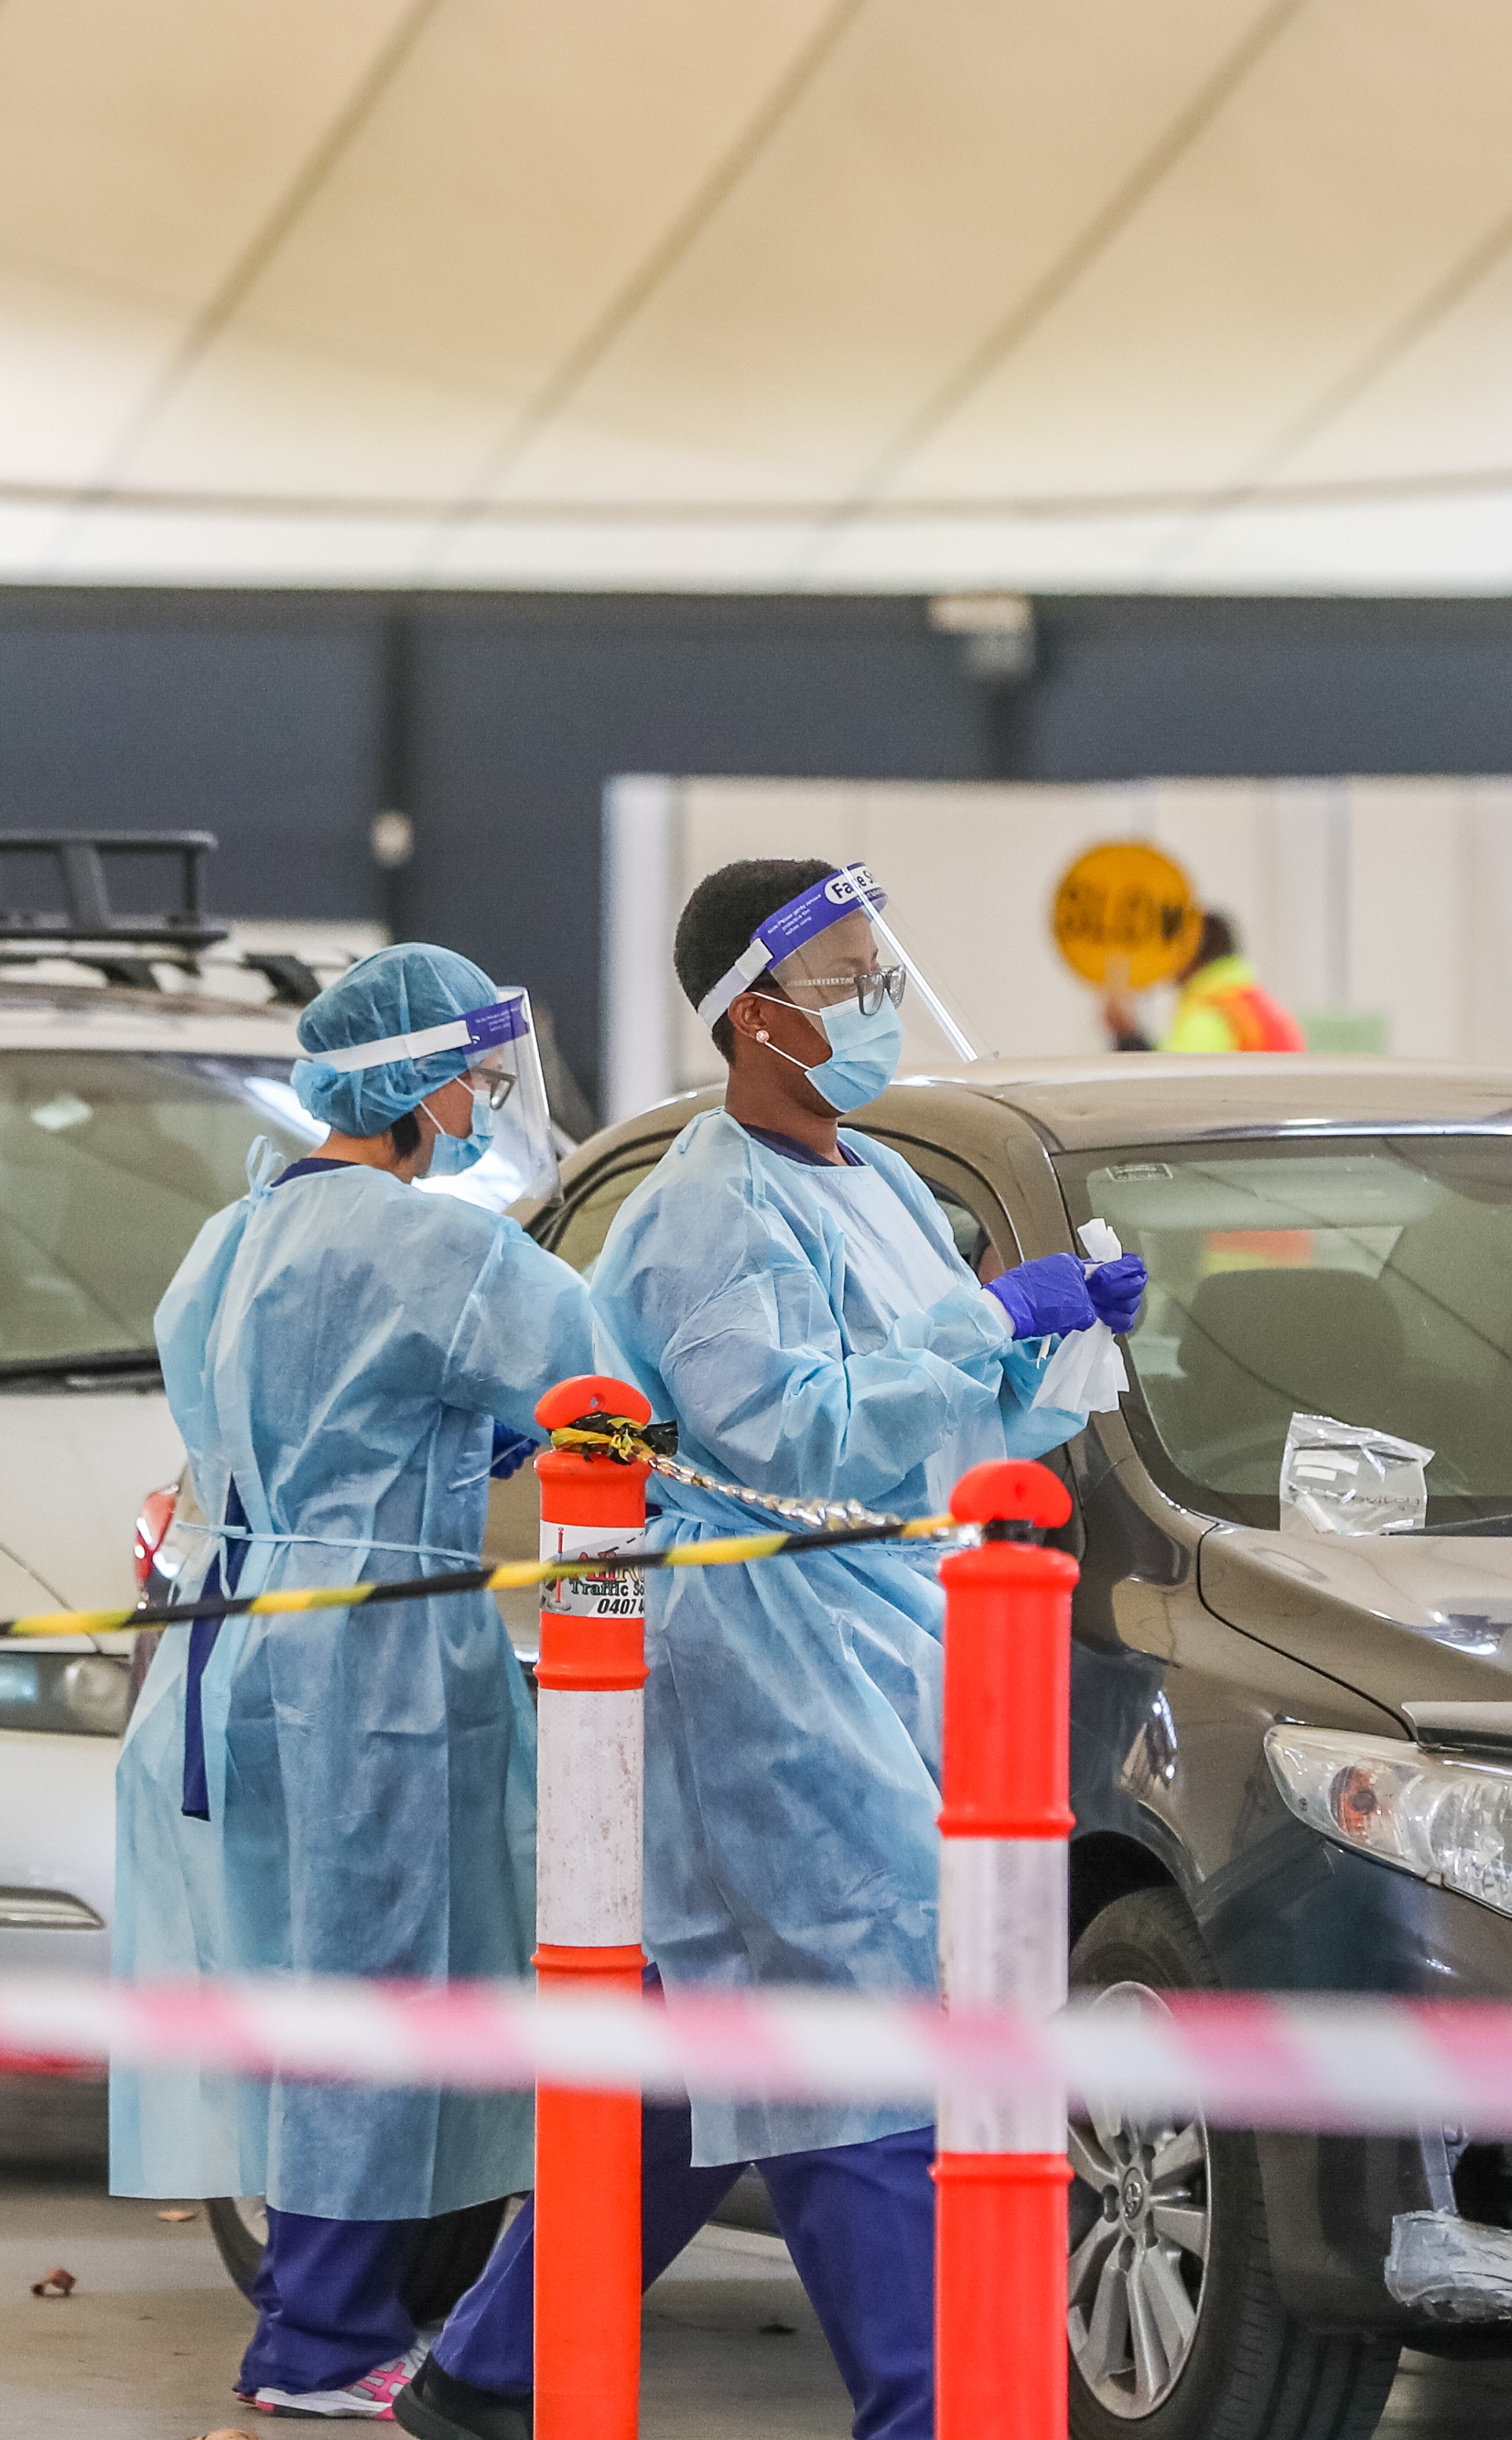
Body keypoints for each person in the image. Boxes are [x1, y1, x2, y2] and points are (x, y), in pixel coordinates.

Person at [403, 859, 1142, 2440]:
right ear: (753, 1017)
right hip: (764, 1649)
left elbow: (956, 1421)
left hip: (889, 1620)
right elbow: (784, 1436)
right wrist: (980, 1328)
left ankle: (478, 2375)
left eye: (886, 973)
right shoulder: (696, 1211)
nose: (880, 1005)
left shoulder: (869, 1180)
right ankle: (929, 2408)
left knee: (699, 2046)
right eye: (849, 982)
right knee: (855, 2022)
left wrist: (1053, 1337)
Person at [108, 944, 599, 2422]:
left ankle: (311, 2312)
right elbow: (611, 1380)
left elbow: (283, 1423)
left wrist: (462, 1441)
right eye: (472, 1076)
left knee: (291, 1983)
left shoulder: (228, 1237)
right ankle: (318, 2340)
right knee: (371, 1995)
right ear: (407, 1080)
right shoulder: (434, 1248)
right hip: (375, 1659)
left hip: (240, 1637)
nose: (483, 1103)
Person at [1101, 909, 1301, 1053]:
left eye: (1173, 946)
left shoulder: (1209, 1016)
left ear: (1190, 953)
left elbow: (1169, 1092)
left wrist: (1128, 1038)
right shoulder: (1255, 1004)